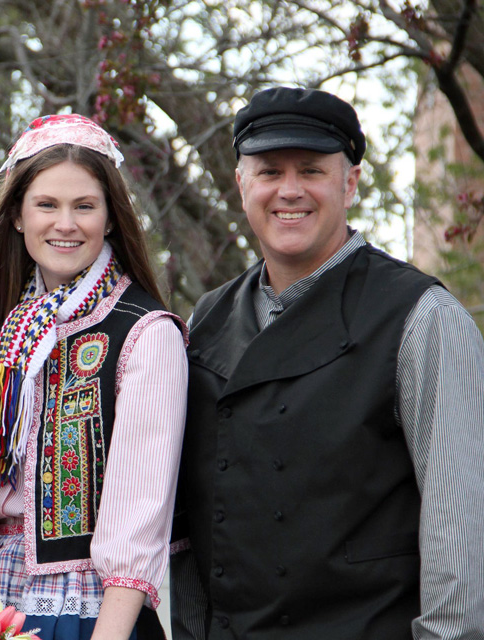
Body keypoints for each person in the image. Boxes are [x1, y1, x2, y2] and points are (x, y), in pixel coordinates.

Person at [169, 87, 484, 639]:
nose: (289, 191)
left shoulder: (422, 316)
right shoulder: (205, 320)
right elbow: (189, 526)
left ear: (351, 182)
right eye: (269, 171)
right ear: (241, 184)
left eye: (311, 169)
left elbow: (460, 527)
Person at [0, 113, 188, 640]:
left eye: (84, 206)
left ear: (111, 218)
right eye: (46, 204)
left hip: (92, 609)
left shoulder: (145, 333)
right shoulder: (3, 329)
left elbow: (141, 511)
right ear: (18, 217)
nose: (64, 224)